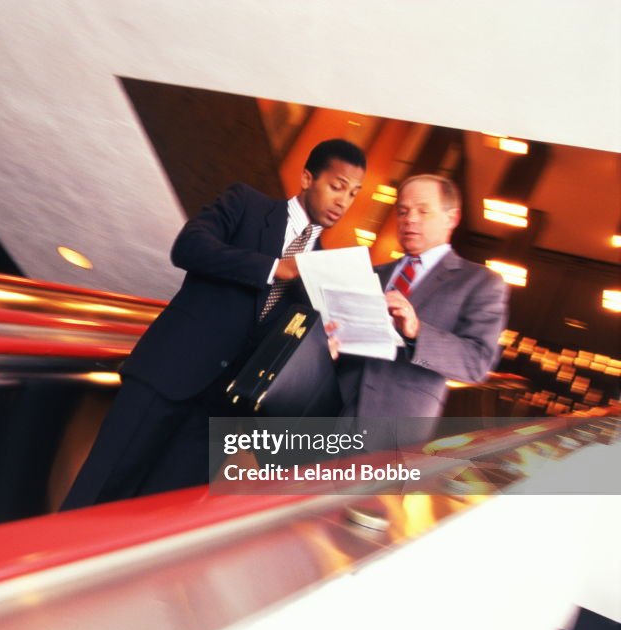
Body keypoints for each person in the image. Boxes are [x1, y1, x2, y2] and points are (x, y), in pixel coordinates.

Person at [60, 139, 367, 510]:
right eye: (337, 186)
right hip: (167, 375)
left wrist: (319, 345)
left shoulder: (325, 269)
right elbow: (188, 247)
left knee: (155, 520)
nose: (343, 202)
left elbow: (285, 342)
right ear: (307, 178)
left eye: (353, 194)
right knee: (97, 494)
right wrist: (273, 268)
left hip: (221, 415)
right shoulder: (246, 204)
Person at [333, 174, 509, 418]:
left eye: (423, 211)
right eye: (403, 211)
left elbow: (476, 364)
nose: (410, 219)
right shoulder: (371, 273)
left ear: (452, 218)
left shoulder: (480, 282)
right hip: (328, 413)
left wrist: (417, 331)